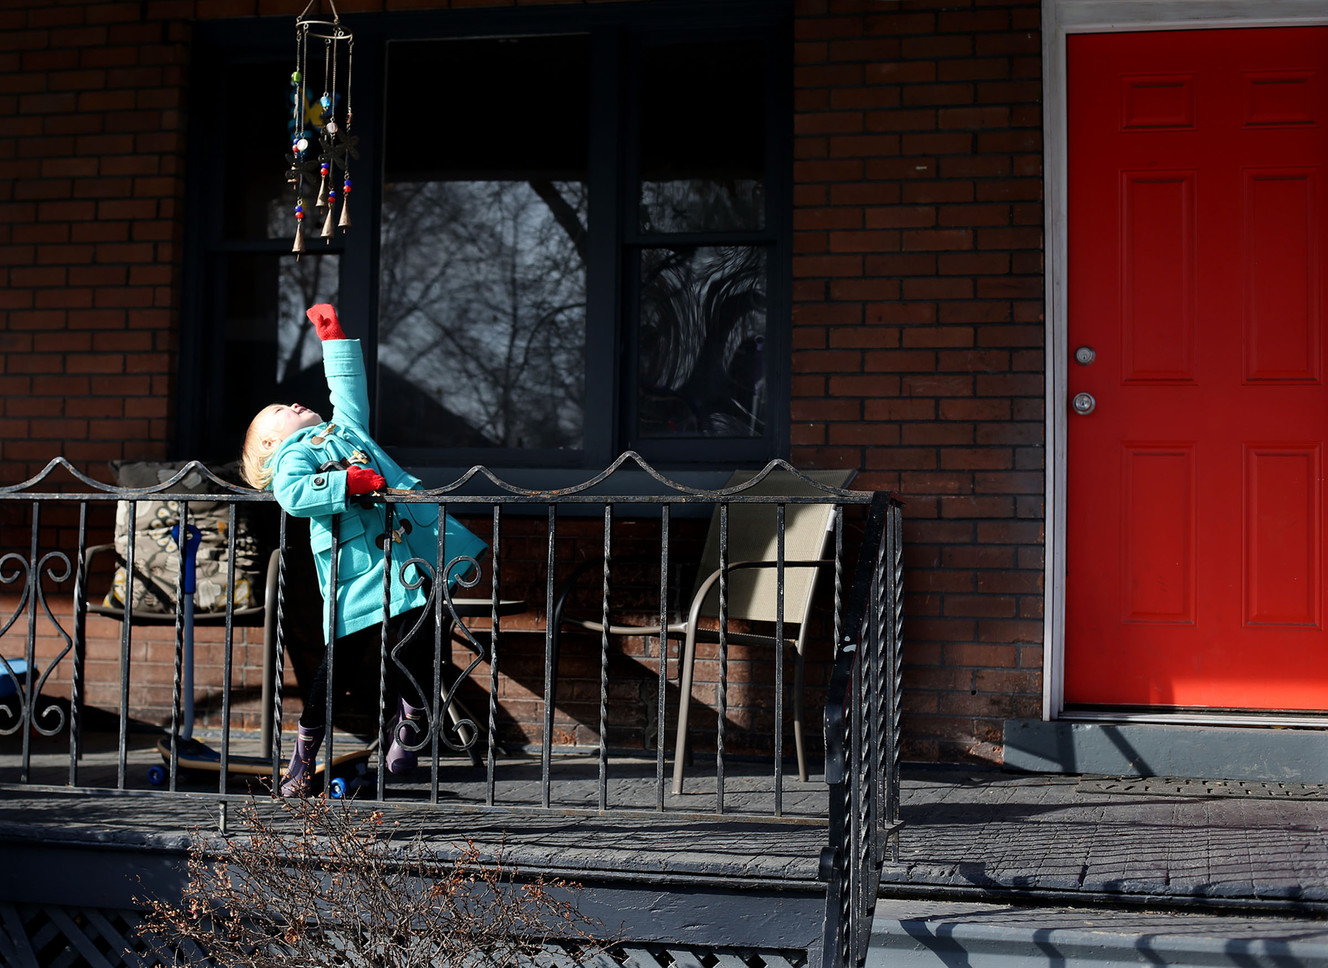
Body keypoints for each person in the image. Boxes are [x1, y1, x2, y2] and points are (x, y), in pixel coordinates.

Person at [241, 303, 487, 796]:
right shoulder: (295, 455)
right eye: (278, 413)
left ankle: (412, 721)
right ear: (271, 444)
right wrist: (345, 483)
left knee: (420, 645)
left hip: (407, 563)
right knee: (339, 669)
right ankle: (303, 758)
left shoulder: (346, 429)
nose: (291, 405)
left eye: (287, 402)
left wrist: (333, 340)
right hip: (356, 575)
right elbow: (293, 497)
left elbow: (348, 391)